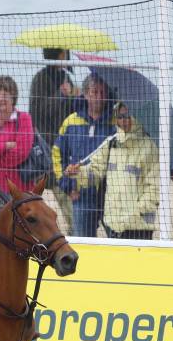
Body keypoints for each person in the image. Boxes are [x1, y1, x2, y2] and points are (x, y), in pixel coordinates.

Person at [65, 102, 159, 240]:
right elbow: (95, 171)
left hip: (139, 227)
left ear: (136, 116)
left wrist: (137, 212)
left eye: (127, 116)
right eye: (120, 116)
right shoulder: (110, 143)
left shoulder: (149, 147)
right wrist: (78, 173)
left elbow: (155, 188)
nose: (124, 121)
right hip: (113, 224)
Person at [52, 73, 115, 237]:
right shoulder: (71, 122)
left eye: (103, 92)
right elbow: (58, 154)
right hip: (81, 195)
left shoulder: (115, 123)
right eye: (94, 92)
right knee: (84, 243)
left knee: (118, 242)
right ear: (86, 94)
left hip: (111, 196)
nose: (99, 97)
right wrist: (68, 187)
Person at [29, 48, 79, 233]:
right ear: (60, 55)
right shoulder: (41, 79)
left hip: (64, 149)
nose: (67, 57)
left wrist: (75, 96)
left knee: (69, 206)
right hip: (46, 153)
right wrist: (61, 95)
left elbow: (72, 113)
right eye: (65, 53)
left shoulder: (65, 77)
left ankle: (74, 233)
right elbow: (37, 112)